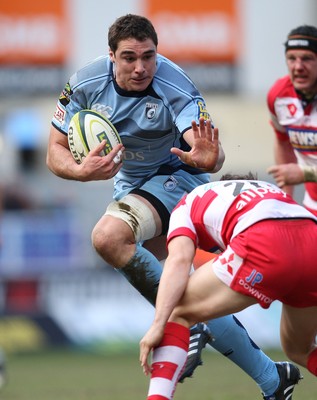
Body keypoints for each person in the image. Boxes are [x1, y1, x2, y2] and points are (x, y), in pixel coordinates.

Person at [47, 14, 294, 397]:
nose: (141, 67)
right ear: (111, 55)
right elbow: (55, 151)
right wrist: (80, 171)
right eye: (129, 57)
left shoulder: (174, 83)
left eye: (149, 56)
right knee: (189, 292)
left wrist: (209, 158)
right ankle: (271, 377)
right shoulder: (84, 82)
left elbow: (208, 152)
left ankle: (184, 324)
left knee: (108, 238)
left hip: (177, 177)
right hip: (130, 184)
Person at [139, 173, 317, 400]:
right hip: (312, 239)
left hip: (265, 240)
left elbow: (178, 261)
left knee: (175, 309)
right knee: (299, 349)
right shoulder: (266, 189)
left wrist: (157, 324)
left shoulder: (186, 203)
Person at [267, 25, 317, 216]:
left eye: (307, 58)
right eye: (292, 59)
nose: (298, 67)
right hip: (312, 205)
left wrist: (305, 174)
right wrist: (286, 198)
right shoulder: (278, 95)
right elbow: (282, 141)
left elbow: (301, 172)